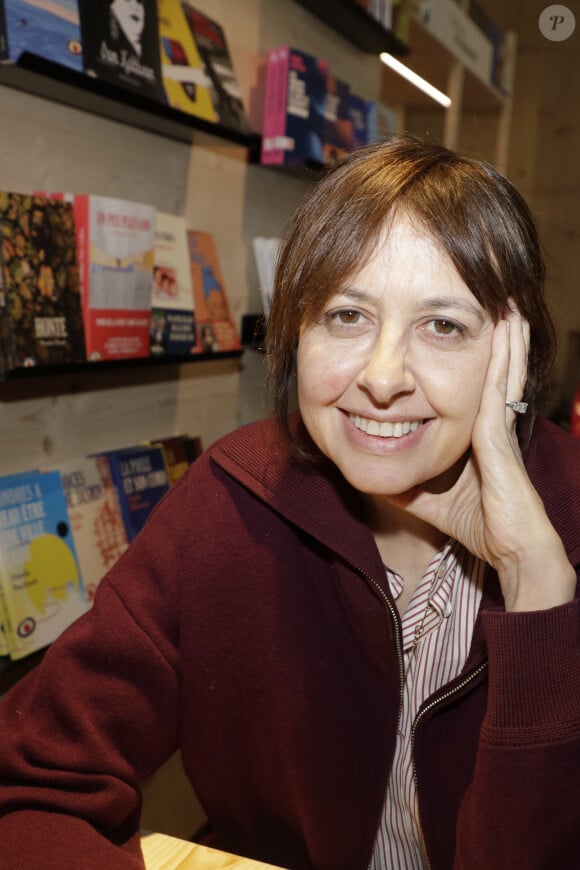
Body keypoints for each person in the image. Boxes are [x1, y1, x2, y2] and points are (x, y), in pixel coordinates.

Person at [0, 135, 579, 870]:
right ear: (295, 330)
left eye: (443, 325)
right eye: (347, 316)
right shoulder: (233, 499)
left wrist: (539, 590)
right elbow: (30, 785)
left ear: (513, 352)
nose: (382, 375)